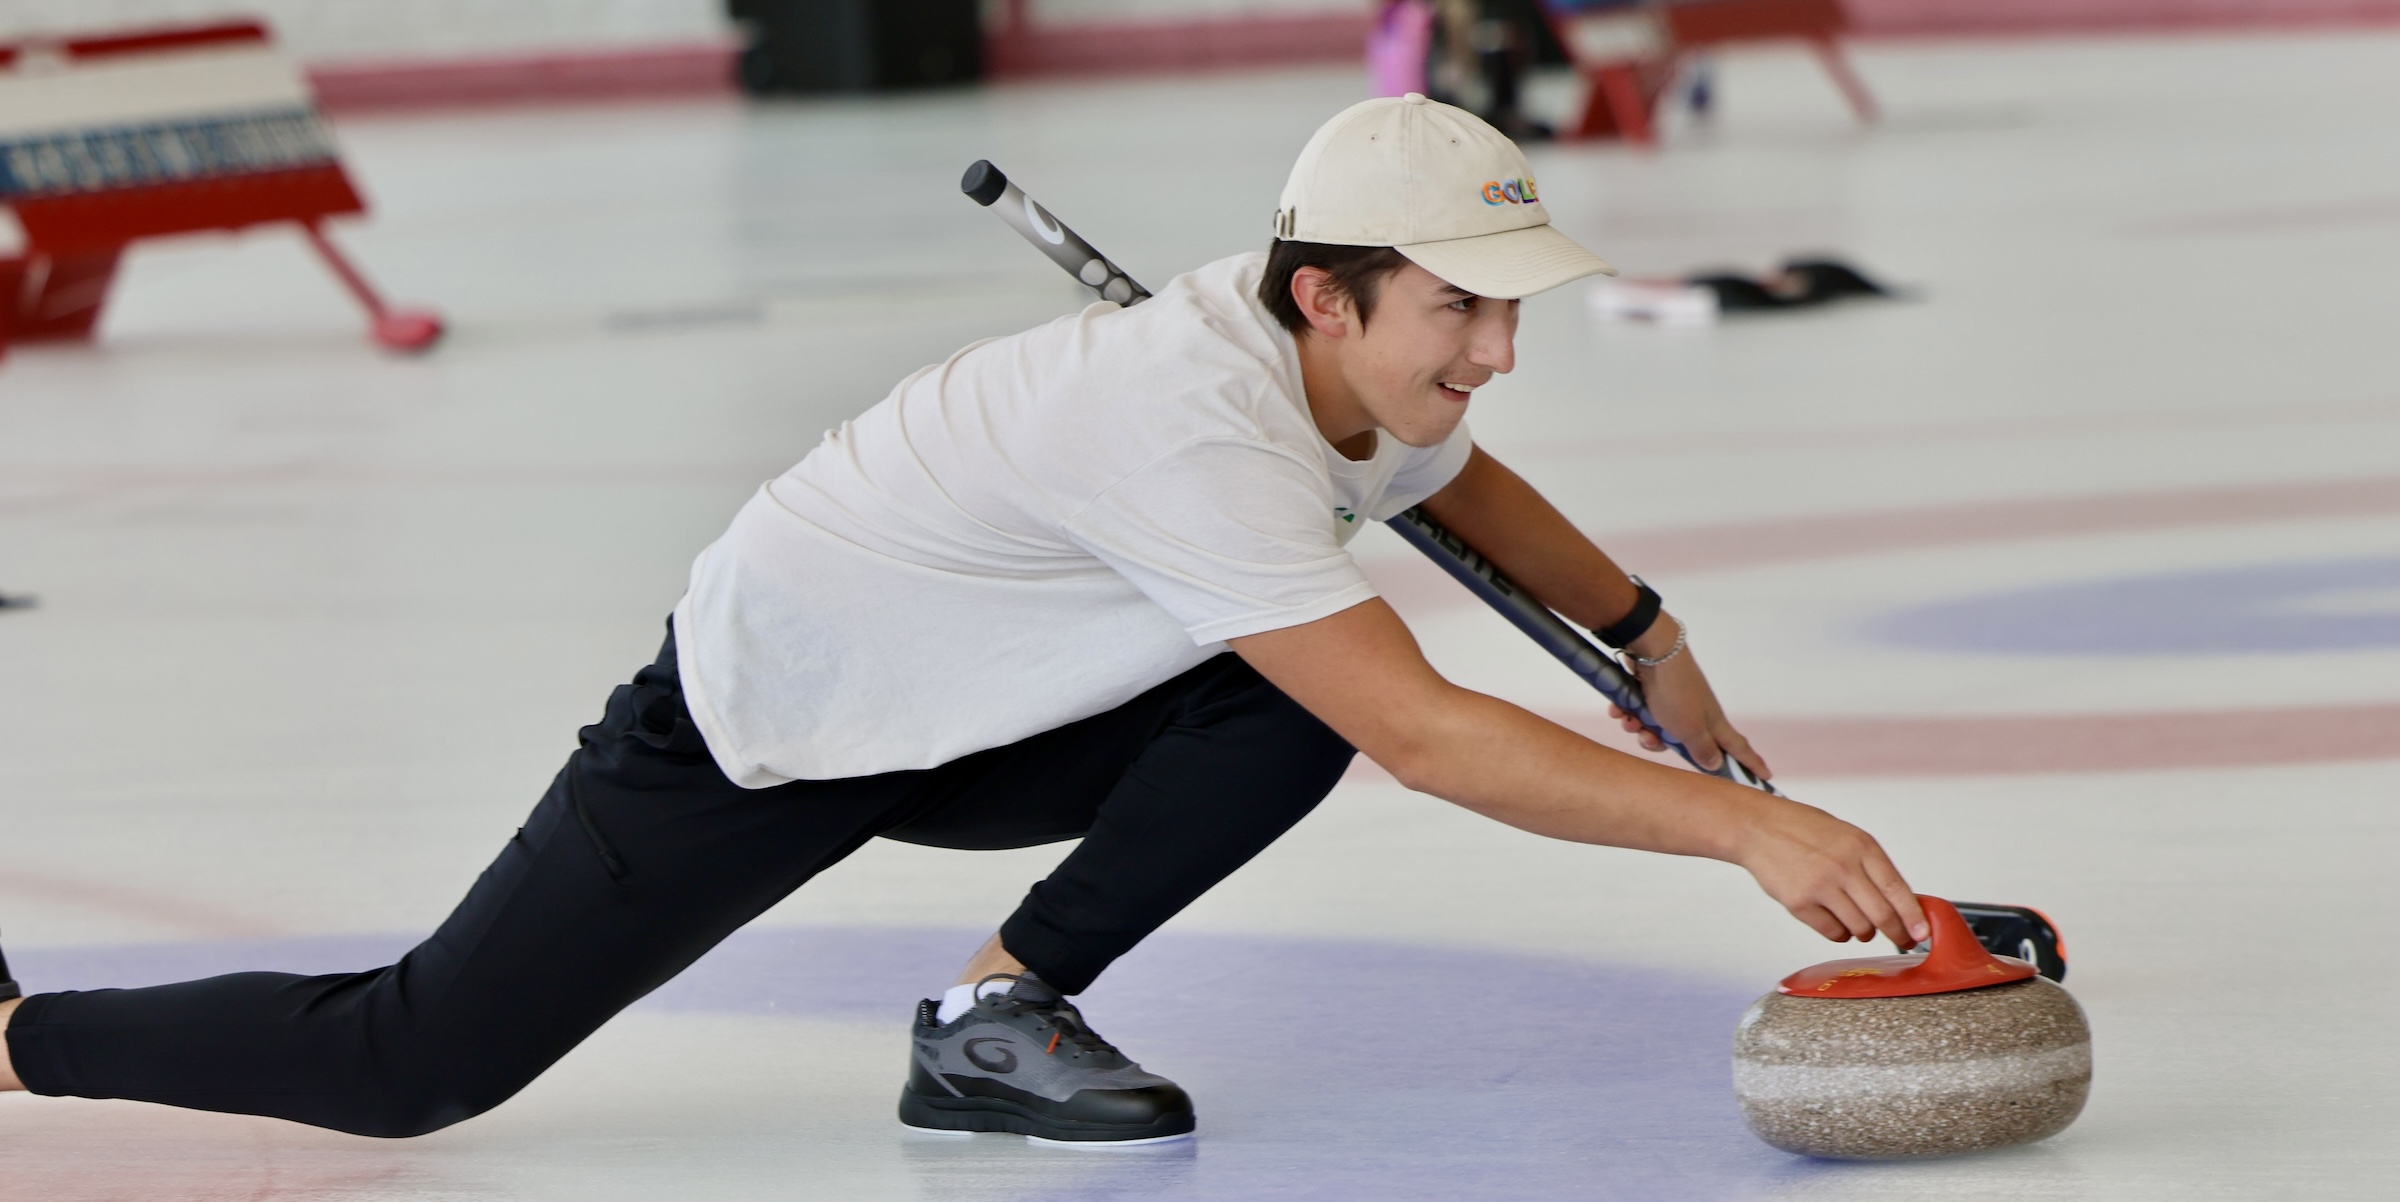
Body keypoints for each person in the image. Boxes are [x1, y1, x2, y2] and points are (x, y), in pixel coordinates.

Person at [0, 95, 1927, 1146]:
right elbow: (1427, 732)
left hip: (990, 708)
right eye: (1463, 313)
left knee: (1288, 691)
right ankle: (16, 1040)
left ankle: (995, 1014)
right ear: (1326, 295)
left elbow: (1463, 488)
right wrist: (1756, 829)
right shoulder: (1189, 420)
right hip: (768, 722)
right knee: (411, 1063)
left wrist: (1651, 630)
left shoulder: (1345, 374)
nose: (1500, 355)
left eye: (1515, 310)